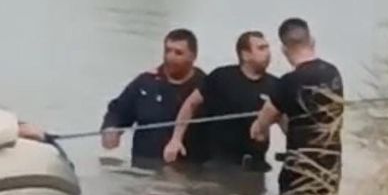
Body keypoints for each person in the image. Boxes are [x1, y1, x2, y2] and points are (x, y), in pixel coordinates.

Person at [250, 18, 344, 195]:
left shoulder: (287, 82)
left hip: (299, 169)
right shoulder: (333, 73)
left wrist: (259, 129)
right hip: (330, 167)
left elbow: (261, 124)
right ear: (312, 40)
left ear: (284, 49)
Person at [163, 31, 278, 171]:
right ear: (245, 54)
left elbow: (286, 121)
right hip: (219, 163)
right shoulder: (222, 77)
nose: (268, 53)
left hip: (256, 166)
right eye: (261, 48)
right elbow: (190, 104)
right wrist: (176, 139)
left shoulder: (276, 85)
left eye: (267, 48)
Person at [100, 29, 208, 167]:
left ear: (193, 56)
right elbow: (118, 111)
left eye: (178, 53)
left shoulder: (205, 86)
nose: (170, 57)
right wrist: (111, 129)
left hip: (187, 169)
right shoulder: (145, 82)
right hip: (143, 168)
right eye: (167, 51)